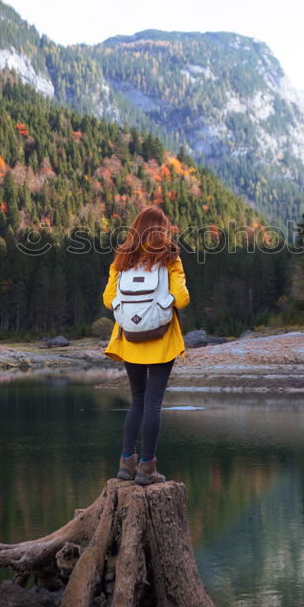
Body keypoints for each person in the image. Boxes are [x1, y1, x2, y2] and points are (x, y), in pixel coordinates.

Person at [102, 206, 190, 485]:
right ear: (162, 231)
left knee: (137, 401)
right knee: (153, 403)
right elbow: (182, 298)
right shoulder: (170, 260)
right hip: (162, 338)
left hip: (131, 338)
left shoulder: (121, 261)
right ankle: (147, 469)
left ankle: (126, 464)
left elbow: (108, 299)